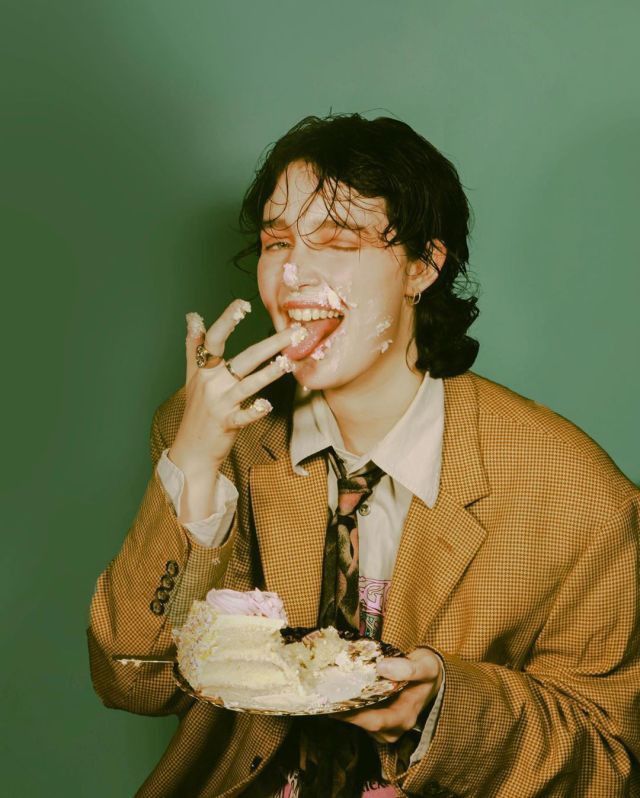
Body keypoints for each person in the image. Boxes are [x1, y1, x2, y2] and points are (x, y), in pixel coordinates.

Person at [88, 113, 640, 798]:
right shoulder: (211, 434)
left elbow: (612, 764)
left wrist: (441, 711)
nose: (294, 274)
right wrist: (193, 466)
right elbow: (135, 681)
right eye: (277, 240)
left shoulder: (581, 497)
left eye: (337, 240)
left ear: (423, 265)